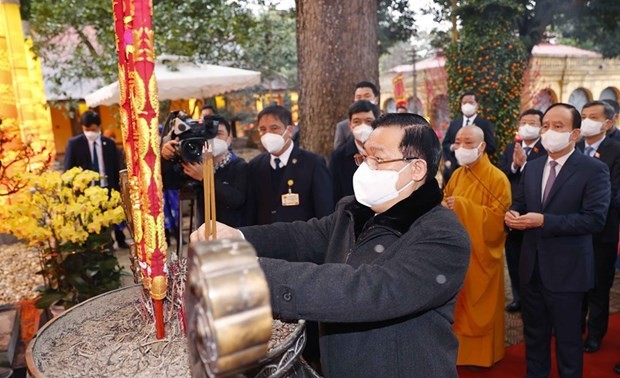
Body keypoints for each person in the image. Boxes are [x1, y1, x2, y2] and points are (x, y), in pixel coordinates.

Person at [191, 113, 471, 378]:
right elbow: (300, 237)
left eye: (378, 159)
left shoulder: (442, 235)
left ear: (417, 169)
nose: (365, 168)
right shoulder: (354, 211)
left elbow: (370, 291)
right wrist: (237, 239)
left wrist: (253, 275)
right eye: (364, 157)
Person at [505, 103, 610, 378]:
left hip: (568, 271)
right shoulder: (533, 167)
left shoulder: (593, 170)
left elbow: (594, 220)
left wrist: (544, 221)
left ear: (575, 134)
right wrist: (513, 214)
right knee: (535, 337)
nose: (549, 132)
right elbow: (521, 203)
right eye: (546, 126)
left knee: (568, 342)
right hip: (532, 268)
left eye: (558, 126)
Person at [443, 125, 511, 368]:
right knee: (457, 303)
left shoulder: (497, 178)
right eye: (458, 142)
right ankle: (459, 353)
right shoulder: (458, 175)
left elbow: (497, 221)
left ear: (482, 146)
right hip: (458, 253)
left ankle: (483, 356)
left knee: (480, 303)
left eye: (468, 143)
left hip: (482, 255)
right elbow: (444, 202)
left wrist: (461, 206)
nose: (462, 147)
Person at [576, 100, 620, 353]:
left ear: (608, 123)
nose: (586, 121)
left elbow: (614, 192)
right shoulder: (574, 146)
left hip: (601, 232)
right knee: (576, 284)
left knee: (598, 287)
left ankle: (595, 334)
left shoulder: (616, 150)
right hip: (572, 232)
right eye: (583, 116)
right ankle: (575, 326)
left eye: (593, 117)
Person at [245, 105, 333, 225]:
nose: (268, 134)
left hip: (301, 239)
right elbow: (251, 211)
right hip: (265, 239)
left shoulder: (313, 163)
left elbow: (325, 210)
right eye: (263, 129)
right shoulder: (255, 165)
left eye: (274, 128)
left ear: (289, 130)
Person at [498, 109, 546, 313]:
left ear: (541, 126)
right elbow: (502, 172)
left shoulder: (547, 149)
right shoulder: (511, 147)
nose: (527, 126)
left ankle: (538, 301)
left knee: (537, 263)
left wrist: (525, 164)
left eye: (532, 122)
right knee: (514, 259)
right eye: (523, 121)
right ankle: (518, 297)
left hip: (537, 212)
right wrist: (515, 166)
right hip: (514, 211)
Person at [161, 115, 247, 228]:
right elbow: (169, 183)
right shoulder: (195, 164)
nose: (213, 139)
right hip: (205, 234)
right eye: (209, 135)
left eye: (219, 134)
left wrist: (205, 178)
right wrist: (166, 158)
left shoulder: (240, 166)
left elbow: (236, 200)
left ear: (229, 138)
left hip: (233, 233)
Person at [64, 110, 128, 249]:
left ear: (99, 127)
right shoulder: (75, 144)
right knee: (92, 222)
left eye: (93, 130)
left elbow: (116, 167)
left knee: (113, 218)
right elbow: (68, 169)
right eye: (87, 130)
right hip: (86, 192)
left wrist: (119, 189)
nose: (90, 133)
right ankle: (98, 246)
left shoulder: (109, 144)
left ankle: (117, 240)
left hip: (107, 188)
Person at [329, 100, 380, 202]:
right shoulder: (338, 157)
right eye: (356, 122)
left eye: (368, 121)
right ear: (350, 125)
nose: (363, 126)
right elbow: (334, 194)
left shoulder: (388, 153)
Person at [442, 92, 497, 184]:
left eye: (470, 102)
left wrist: (473, 150)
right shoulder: (454, 124)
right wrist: (452, 148)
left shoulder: (484, 124)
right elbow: (445, 144)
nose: (467, 105)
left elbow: (491, 147)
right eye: (464, 102)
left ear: (477, 105)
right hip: (454, 168)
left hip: (476, 170)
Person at [334, 81, 380, 149]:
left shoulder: (388, 124)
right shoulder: (343, 127)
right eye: (358, 97)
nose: (362, 99)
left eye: (367, 96)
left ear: (376, 99)